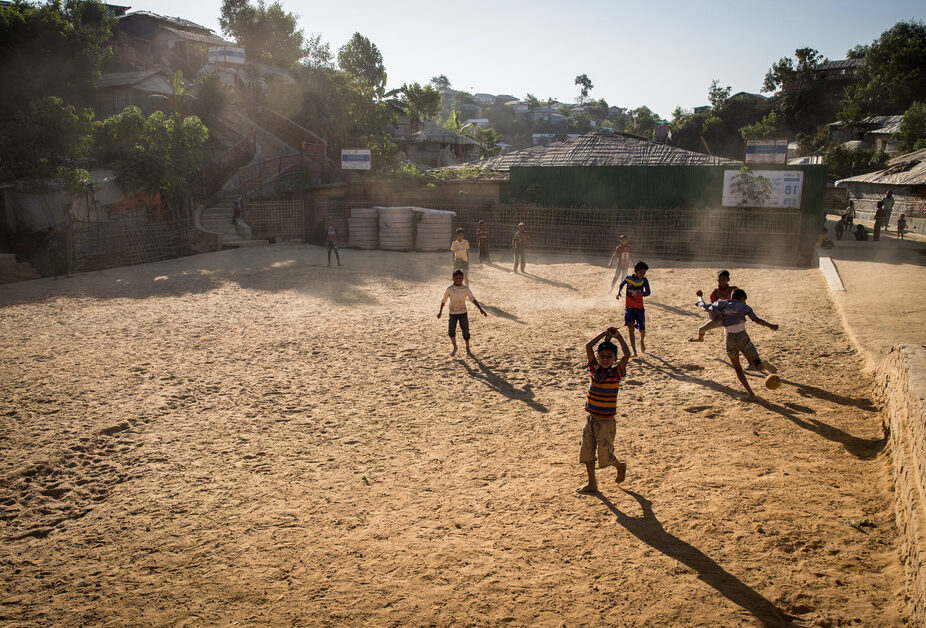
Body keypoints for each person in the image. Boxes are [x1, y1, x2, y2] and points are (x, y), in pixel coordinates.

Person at [577, 326, 631, 494]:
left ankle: (620, 465)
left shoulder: (616, 373)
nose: (605, 359)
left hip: (606, 422)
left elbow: (627, 355)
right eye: (602, 356)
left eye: (609, 356)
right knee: (587, 452)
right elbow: (588, 346)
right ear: (598, 357)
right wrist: (604, 334)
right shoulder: (593, 369)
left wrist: (619, 337)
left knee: (605, 455)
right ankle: (592, 483)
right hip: (591, 419)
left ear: (615, 358)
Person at [702, 288, 779, 401]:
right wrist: (771, 326)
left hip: (729, 339)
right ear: (742, 299)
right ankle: (763, 364)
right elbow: (756, 320)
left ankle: (751, 393)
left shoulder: (722, 305)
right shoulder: (745, 307)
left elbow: (706, 307)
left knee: (738, 370)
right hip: (742, 337)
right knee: (757, 364)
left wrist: (699, 297)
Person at [437, 269, 487, 356]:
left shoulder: (466, 289)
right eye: (456, 278)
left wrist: (480, 309)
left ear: (463, 278)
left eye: (460, 278)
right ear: (453, 278)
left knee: (466, 332)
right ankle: (455, 348)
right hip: (452, 313)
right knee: (451, 332)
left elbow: (472, 299)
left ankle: (467, 348)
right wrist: (440, 311)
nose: (458, 279)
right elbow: (444, 300)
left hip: (463, 312)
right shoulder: (449, 289)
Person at [689, 270, 738, 342]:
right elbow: (713, 308)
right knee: (701, 329)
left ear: (728, 280)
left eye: (724, 280)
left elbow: (739, 302)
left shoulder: (734, 290)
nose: (721, 282)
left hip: (733, 319)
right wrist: (700, 297)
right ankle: (700, 339)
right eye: (719, 280)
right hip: (721, 319)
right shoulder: (714, 293)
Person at [616, 261, 651, 356]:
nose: (642, 275)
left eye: (644, 273)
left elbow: (648, 292)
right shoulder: (628, 279)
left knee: (642, 330)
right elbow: (621, 284)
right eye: (641, 272)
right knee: (631, 329)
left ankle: (642, 341)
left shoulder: (644, 280)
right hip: (629, 309)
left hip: (639, 309)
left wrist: (642, 294)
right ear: (635, 271)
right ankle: (634, 351)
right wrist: (618, 292)